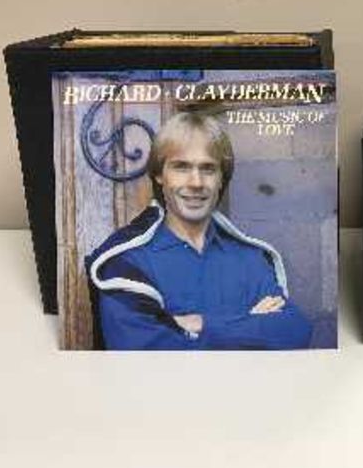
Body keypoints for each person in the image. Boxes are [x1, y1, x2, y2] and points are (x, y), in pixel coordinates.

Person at [85, 112, 312, 350]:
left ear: (221, 178)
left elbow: (295, 331)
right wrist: (250, 324)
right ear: (159, 175)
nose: (196, 182)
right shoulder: (127, 262)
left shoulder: (250, 258)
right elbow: (144, 352)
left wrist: (199, 324)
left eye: (208, 169)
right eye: (181, 167)